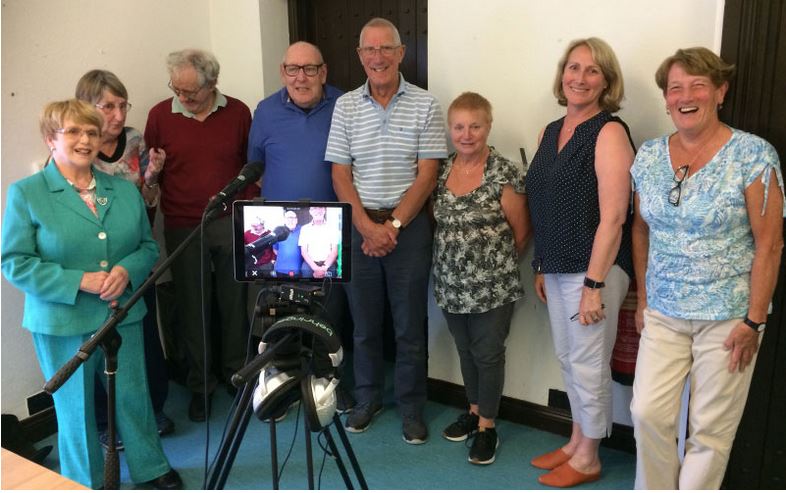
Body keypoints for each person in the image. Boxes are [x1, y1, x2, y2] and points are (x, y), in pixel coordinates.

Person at [0, 99, 182, 489]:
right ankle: (86, 482)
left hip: (121, 314)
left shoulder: (123, 190)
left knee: (134, 397)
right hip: (61, 322)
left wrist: (124, 270)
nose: (85, 140)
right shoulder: (28, 194)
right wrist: (79, 280)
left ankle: (150, 469)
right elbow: (13, 261)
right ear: (51, 138)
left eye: (92, 132)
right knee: (75, 411)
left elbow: (147, 248)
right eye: (74, 132)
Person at [629, 47, 784, 490]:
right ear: (665, 99)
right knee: (646, 412)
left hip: (729, 316)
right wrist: (641, 297)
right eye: (675, 87)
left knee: (709, 430)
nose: (685, 95)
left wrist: (754, 320)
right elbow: (640, 231)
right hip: (663, 310)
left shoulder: (755, 156)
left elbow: (770, 243)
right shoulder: (650, 155)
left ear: (720, 91)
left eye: (698, 85)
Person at [327, 17, 448, 444]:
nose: (377, 57)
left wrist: (393, 225)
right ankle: (367, 399)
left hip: (408, 229)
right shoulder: (344, 106)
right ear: (360, 57)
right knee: (363, 325)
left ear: (401, 53)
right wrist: (364, 224)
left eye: (386, 49)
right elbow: (340, 173)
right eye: (369, 50)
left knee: (409, 324)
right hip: (359, 226)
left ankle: (412, 407)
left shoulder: (426, 104)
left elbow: (428, 174)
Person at [525, 37, 635, 487]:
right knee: (570, 360)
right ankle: (575, 441)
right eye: (574, 68)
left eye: (593, 71)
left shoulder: (609, 132)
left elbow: (614, 217)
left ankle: (589, 457)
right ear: (562, 74)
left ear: (606, 82)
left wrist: (593, 284)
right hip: (557, 266)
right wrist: (540, 264)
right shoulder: (551, 130)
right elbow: (544, 202)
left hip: (596, 271)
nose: (580, 78)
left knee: (589, 363)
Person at [144, 48, 252, 422]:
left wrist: (245, 206)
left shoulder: (238, 113)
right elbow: (151, 171)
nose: (184, 98)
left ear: (213, 84)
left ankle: (236, 375)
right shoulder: (160, 115)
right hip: (183, 223)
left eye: (192, 91)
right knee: (192, 307)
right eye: (178, 89)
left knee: (234, 303)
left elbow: (249, 165)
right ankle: (199, 386)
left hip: (229, 219)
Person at [246, 41, 355, 412]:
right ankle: (284, 387)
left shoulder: (346, 105)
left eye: (310, 69)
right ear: (282, 72)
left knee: (332, 310)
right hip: (284, 229)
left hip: (334, 226)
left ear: (324, 72)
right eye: (293, 69)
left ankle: (331, 386)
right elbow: (257, 168)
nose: (301, 77)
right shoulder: (264, 111)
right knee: (282, 309)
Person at [74, 69, 175, 446]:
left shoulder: (134, 140)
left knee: (146, 336)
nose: (118, 115)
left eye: (122, 105)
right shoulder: (76, 147)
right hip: (93, 265)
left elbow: (148, 200)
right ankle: (105, 421)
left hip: (135, 256)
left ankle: (153, 408)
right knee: (101, 342)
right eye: (108, 107)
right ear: (86, 108)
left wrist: (152, 176)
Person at [433, 92, 530, 465]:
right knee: (464, 350)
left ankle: (488, 426)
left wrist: (493, 267)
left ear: (488, 126)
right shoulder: (441, 170)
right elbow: (436, 223)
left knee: (488, 354)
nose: (467, 134)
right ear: (450, 129)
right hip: (449, 284)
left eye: (475, 126)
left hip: (494, 285)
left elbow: (522, 232)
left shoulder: (503, 172)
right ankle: (473, 411)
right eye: (459, 126)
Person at [299, 206, 339, 278]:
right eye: (314, 208)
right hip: (310, 264)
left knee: (331, 287)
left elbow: (334, 251)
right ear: (310, 212)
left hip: (328, 263)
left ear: (324, 210)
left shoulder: (332, 228)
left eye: (320, 207)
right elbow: (304, 252)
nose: (318, 211)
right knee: (306, 286)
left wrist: (324, 268)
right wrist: (316, 268)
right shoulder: (304, 229)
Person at [273, 209, 303, 277]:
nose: (290, 220)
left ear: (296, 220)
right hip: (280, 269)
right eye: (288, 218)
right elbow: (275, 249)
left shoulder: (303, 230)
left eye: (293, 218)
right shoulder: (278, 230)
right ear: (284, 220)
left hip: (298, 270)